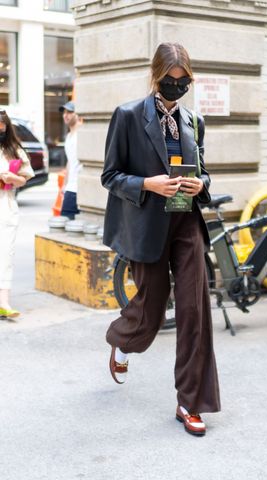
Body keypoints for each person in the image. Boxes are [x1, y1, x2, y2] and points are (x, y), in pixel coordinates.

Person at [101, 43, 221, 436]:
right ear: (156, 76)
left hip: (186, 223)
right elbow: (111, 176)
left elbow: (204, 171)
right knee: (150, 311)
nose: (177, 87)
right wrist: (148, 184)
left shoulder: (193, 122)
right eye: (170, 81)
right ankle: (122, 339)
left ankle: (191, 402)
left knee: (194, 314)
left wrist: (199, 181)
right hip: (148, 225)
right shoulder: (128, 116)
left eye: (183, 81)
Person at [0, 110, 34, 318]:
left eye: (1, 125)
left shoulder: (15, 150)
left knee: (5, 253)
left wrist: (12, 177)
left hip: (6, 205)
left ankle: (3, 301)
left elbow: (24, 178)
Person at [59, 101, 82, 219]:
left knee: (66, 221)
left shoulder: (83, 133)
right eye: (64, 112)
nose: (65, 115)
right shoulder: (68, 136)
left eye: (69, 112)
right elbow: (70, 162)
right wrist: (64, 185)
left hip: (80, 187)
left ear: (77, 114)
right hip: (71, 187)